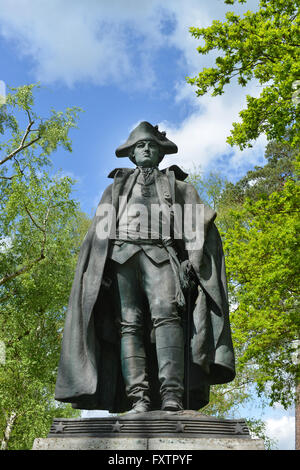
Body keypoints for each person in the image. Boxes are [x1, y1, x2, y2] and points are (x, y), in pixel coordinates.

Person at [55, 121, 235, 413]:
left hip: (162, 256)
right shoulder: (114, 190)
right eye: (141, 145)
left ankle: (172, 396)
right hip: (121, 259)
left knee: (167, 318)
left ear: (161, 153)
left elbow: (196, 229)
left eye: (152, 145)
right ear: (132, 154)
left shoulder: (179, 188)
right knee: (129, 325)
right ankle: (138, 398)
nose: (147, 149)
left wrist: (193, 260)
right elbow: (99, 238)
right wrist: (98, 274)